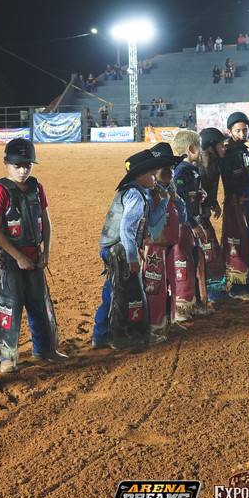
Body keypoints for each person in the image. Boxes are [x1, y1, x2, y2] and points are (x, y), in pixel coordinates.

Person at [0, 138, 66, 373]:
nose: (22, 171)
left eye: (27, 165)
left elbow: (45, 221)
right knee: (8, 305)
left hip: (35, 256)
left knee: (40, 303)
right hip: (9, 261)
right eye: (17, 166)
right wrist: (18, 257)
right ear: (6, 164)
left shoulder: (37, 187)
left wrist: (45, 251)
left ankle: (45, 349)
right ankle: (7, 356)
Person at [92, 149, 174, 349]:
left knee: (113, 291)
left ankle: (102, 335)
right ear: (139, 175)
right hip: (119, 251)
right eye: (152, 174)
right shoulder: (136, 195)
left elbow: (151, 220)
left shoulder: (138, 193)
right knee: (121, 292)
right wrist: (132, 258)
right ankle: (115, 336)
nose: (155, 178)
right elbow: (127, 229)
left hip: (114, 248)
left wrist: (164, 200)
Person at [172, 129, 216, 319]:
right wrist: (193, 224)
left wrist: (200, 196)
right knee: (184, 263)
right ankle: (181, 307)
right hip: (185, 226)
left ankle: (194, 302)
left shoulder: (192, 170)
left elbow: (189, 196)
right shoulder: (181, 172)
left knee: (194, 262)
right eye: (199, 147)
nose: (201, 150)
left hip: (192, 223)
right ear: (190, 148)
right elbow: (179, 202)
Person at [144, 143, 186, 342]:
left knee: (171, 282)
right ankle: (155, 324)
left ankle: (169, 319)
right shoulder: (149, 193)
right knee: (155, 285)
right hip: (154, 246)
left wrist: (178, 201)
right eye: (164, 169)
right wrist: (167, 200)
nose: (169, 172)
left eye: (171, 168)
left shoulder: (170, 191)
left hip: (169, 243)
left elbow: (183, 218)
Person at [220, 111, 249, 300]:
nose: (242, 134)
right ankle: (237, 288)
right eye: (238, 131)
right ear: (230, 131)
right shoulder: (227, 153)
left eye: (245, 130)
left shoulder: (248, 150)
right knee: (238, 244)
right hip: (236, 205)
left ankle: (248, 285)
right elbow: (228, 181)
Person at [195, 127, 230, 305]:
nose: (224, 148)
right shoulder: (200, 169)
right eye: (221, 145)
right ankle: (214, 294)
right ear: (210, 147)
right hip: (199, 220)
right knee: (211, 254)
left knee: (209, 253)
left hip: (203, 217)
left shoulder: (213, 165)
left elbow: (207, 192)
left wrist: (213, 202)